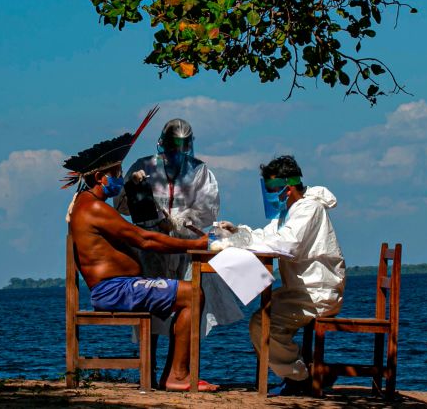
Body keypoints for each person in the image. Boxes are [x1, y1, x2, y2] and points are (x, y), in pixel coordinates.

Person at [63, 126, 218, 392]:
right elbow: (145, 239)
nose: (119, 178)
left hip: (120, 286)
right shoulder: (95, 208)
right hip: (115, 290)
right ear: (100, 177)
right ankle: (177, 376)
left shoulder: (87, 204)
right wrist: (195, 244)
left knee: (185, 292)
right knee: (193, 295)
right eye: (115, 174)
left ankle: (171, 373)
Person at [213, 155, 345, 396]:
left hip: (317, 292)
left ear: (289, 186)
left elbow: (288, 244)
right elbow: (267, 235)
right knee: (262, 318)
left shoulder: (308, 209)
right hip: (301, 290)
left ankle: (300, 377)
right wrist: (238, 233)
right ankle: (296, 369)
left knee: (262, 323)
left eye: (274, 188)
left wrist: (241, 244)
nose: (272, 194)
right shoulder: (289, 212)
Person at [114, 118, 242, 342]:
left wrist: (176, 223)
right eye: (172, 146)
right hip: (151, 246)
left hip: (186, 249)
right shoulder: (143, 166)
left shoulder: (199, 171)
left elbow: (207, 210)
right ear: (162, 143)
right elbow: (122, 207)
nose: (176, 152)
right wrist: (131, 187)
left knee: (188, 306)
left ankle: (177, 369)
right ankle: (150, 367)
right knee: (150, 307)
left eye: (181, 147)